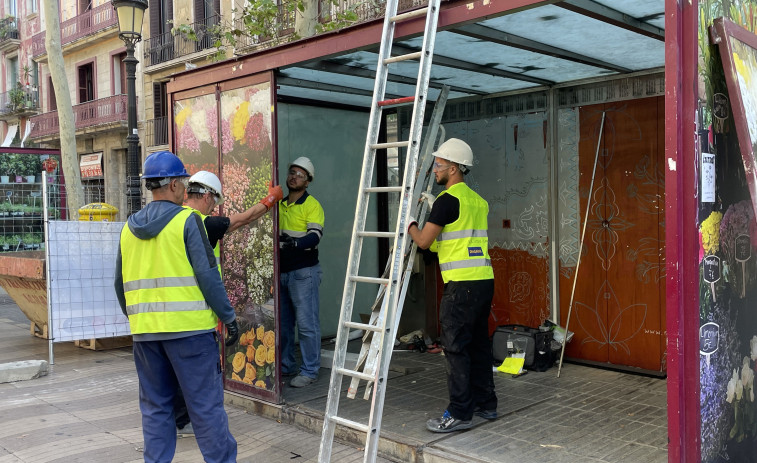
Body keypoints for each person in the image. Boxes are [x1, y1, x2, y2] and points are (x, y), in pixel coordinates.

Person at [114, 151, 239, 462]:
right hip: (191, 334)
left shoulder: (129, 228)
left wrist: (140, 321)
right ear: (171, 185)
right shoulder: (189, 221)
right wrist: (229, 318)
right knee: (205, 408)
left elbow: (120, 285)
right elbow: (209, 277)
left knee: (156, 409)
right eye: (183, 182)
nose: (186, 188)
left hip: (146, 336)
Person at [174, 170, 283, 436]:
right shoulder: (203, 224)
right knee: (201, 374)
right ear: (208, 196)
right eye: (215, 201)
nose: (214, 207)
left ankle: (177, 420)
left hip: (169, 315)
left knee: (176, 373)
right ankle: (193, 424)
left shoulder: (175, 220)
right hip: (196, 313)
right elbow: (245, 218)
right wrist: (271, 199)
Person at [407, 138, 497, 433]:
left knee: (456, 349)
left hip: (460, 287)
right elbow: (452, 243)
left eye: (439, 165)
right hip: (483, 282)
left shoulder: (447, 201)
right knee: (479, 345)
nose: (435, 170)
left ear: (455, 168)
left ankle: (460, 412)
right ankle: (487, 404)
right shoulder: (478, 201)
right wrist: (435, 212)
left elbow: (423, 241)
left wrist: (409, 222)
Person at [279, 156, 324, 388]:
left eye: (300, 174)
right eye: (292, 172)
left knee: (307, 325)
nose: (294, 176)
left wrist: (294, 244)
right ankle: (286, 366)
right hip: (283, 273)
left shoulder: (312, 205)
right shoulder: (281, 204)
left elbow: (315, 235)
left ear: (308, 182)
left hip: (304, 273)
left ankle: (309, 370)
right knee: (284, 325)